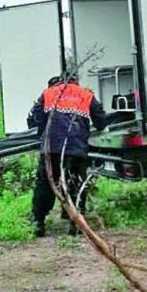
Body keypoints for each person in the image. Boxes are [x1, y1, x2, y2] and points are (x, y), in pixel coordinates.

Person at [27, 73, 110, 237]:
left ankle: (38, 222)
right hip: (76, 147)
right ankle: (75, 224)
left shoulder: (48, 93)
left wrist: (42, 132)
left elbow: (34, 119)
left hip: (51, 147)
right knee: (76, 183)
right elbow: (101, 121)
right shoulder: (86, 94)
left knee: (45, 184)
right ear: (76, 82)